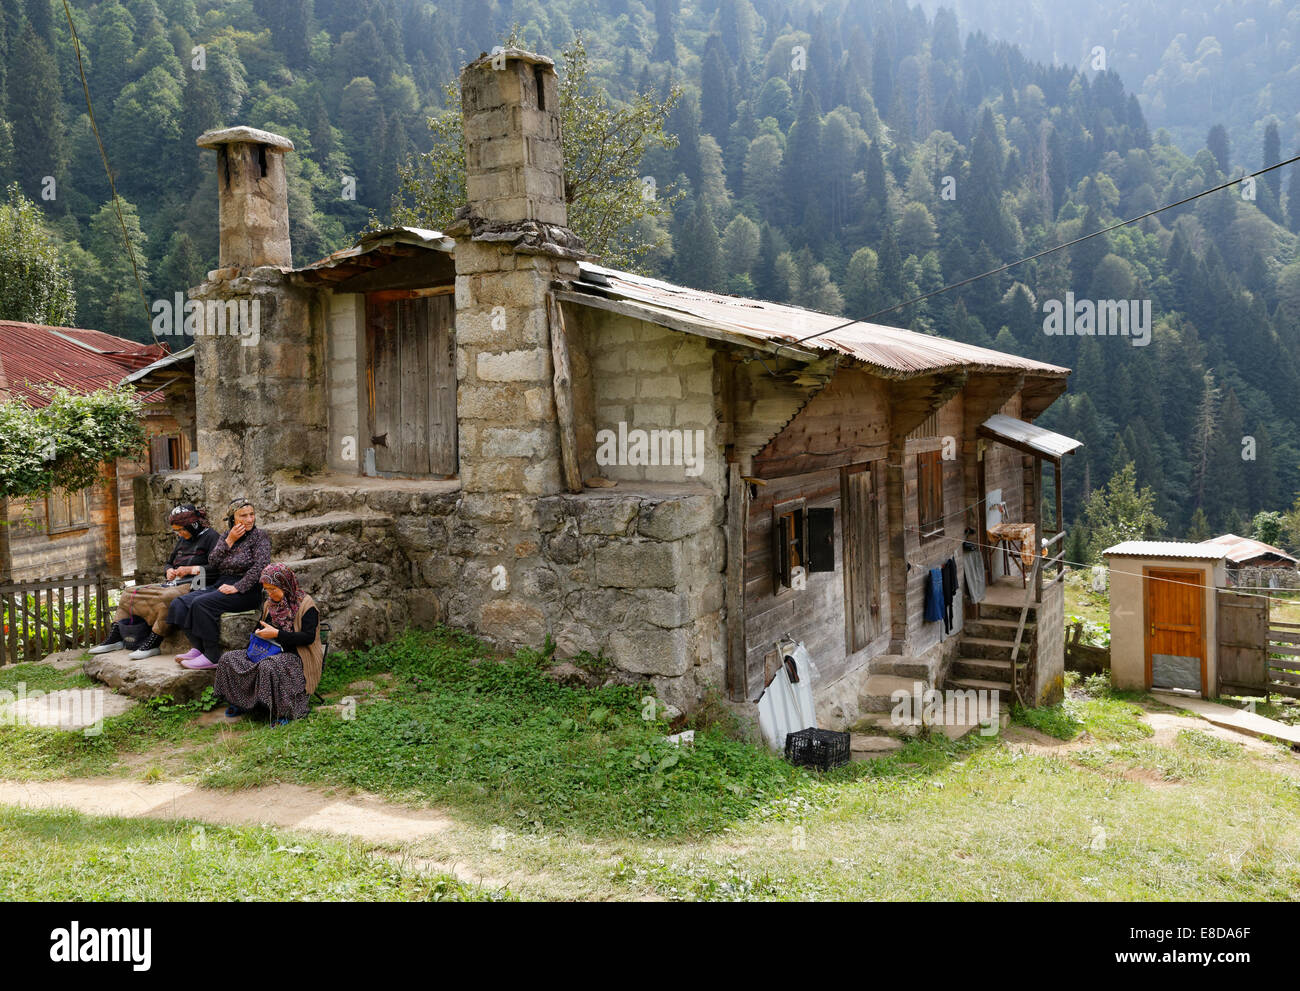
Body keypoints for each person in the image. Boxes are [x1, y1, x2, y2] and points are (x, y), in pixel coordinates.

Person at [89, 504, 220, 659]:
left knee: (168, 597)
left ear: (192, 525)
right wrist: (169, 570)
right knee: (129, 592)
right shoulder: (183, 539)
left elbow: (217, 568)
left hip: (195, 585)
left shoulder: (212, 537)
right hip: (174, 583)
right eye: (176, 531)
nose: (179, 534)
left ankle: (154, 642)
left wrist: (191, 570)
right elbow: (169, 562)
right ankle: (116, 637)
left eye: (181, 530)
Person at [214, 563, 323, 726]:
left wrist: (277, 634)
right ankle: (241, 702)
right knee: (228, 659)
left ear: (285, 585)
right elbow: (262, 627)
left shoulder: (306, 605)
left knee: (269, 666)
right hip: (267, 651)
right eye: (267, 589)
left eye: (273, 589)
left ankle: (283, 712)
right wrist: (258, 632)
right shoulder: (269, 605)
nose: (270, 593)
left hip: (296, 656)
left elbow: (308, 638)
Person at [169, 498, 271, 669]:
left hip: (246, 590)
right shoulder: (226, 535)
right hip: (222, 583)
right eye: (243, 516)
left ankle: (212, 655)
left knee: (201, 604)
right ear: (232, 519)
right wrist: (229, 540)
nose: (249, 519)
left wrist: (237, 587)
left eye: (251, 514)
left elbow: (260, 567)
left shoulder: (260, 537)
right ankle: (199, 648)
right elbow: (213, 561)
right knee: (179, 603)